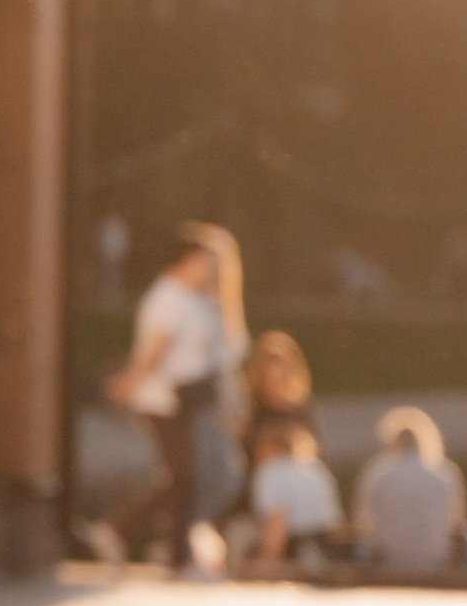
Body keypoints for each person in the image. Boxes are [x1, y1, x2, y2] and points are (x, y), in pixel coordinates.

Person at [109, 222, 249, 567]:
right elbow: (157, 347)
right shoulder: (169, 297)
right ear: (189, 260)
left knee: (187, 476)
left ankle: (170, 547)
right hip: (164, 399)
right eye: (207, 263)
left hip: (187, 400)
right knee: (185, 476)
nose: (212, 272)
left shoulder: (195, 299)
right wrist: (130, 380)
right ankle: (141, 538)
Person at [351, 405, 467, 583]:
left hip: (391, 558)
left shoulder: (378, 473)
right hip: (434, 557)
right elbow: (456, 521)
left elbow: (364, 521)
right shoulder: (444, 473)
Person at [247, 417, 343, 578]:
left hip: (294, 546)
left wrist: (266, 560)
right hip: (324, 542)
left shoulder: (270, 472)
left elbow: (277, 519)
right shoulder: (315, 468)